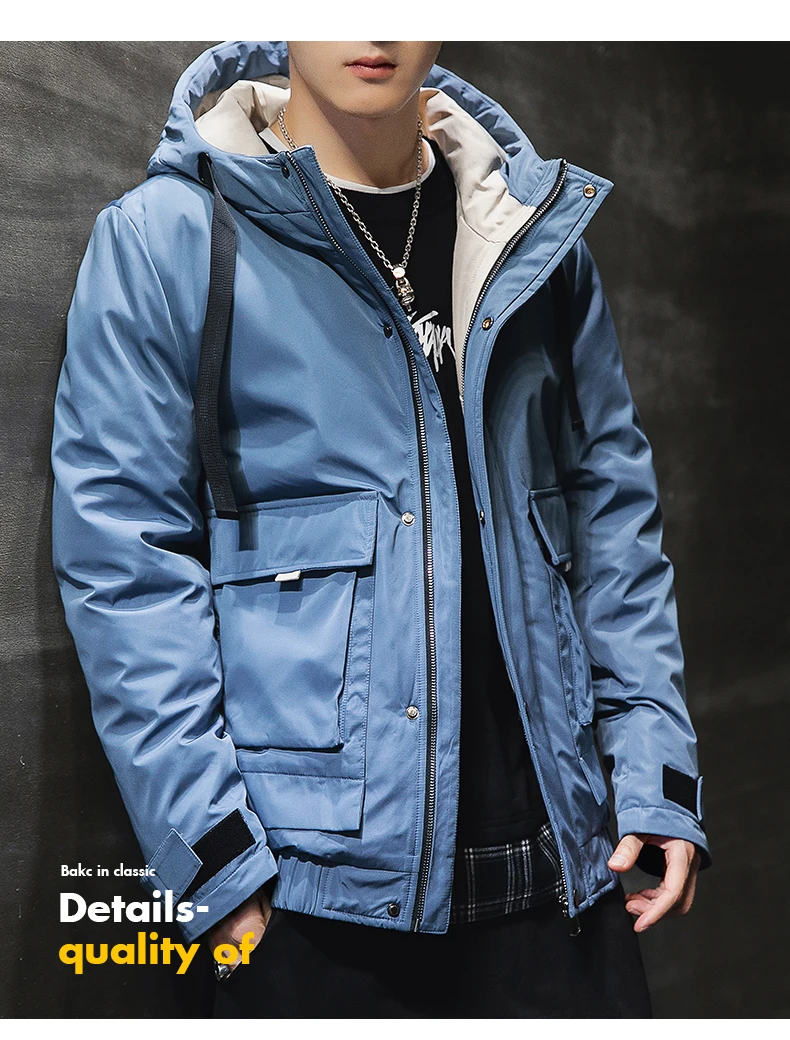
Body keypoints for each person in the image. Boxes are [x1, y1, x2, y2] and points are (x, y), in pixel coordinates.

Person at [50, 40, 710, 1018]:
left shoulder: (523, 228)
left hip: (563, 873)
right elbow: (124, 562)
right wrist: (215, 861)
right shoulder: (171, 236)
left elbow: (609, 516)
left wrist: (654, 772)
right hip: (312, 897)